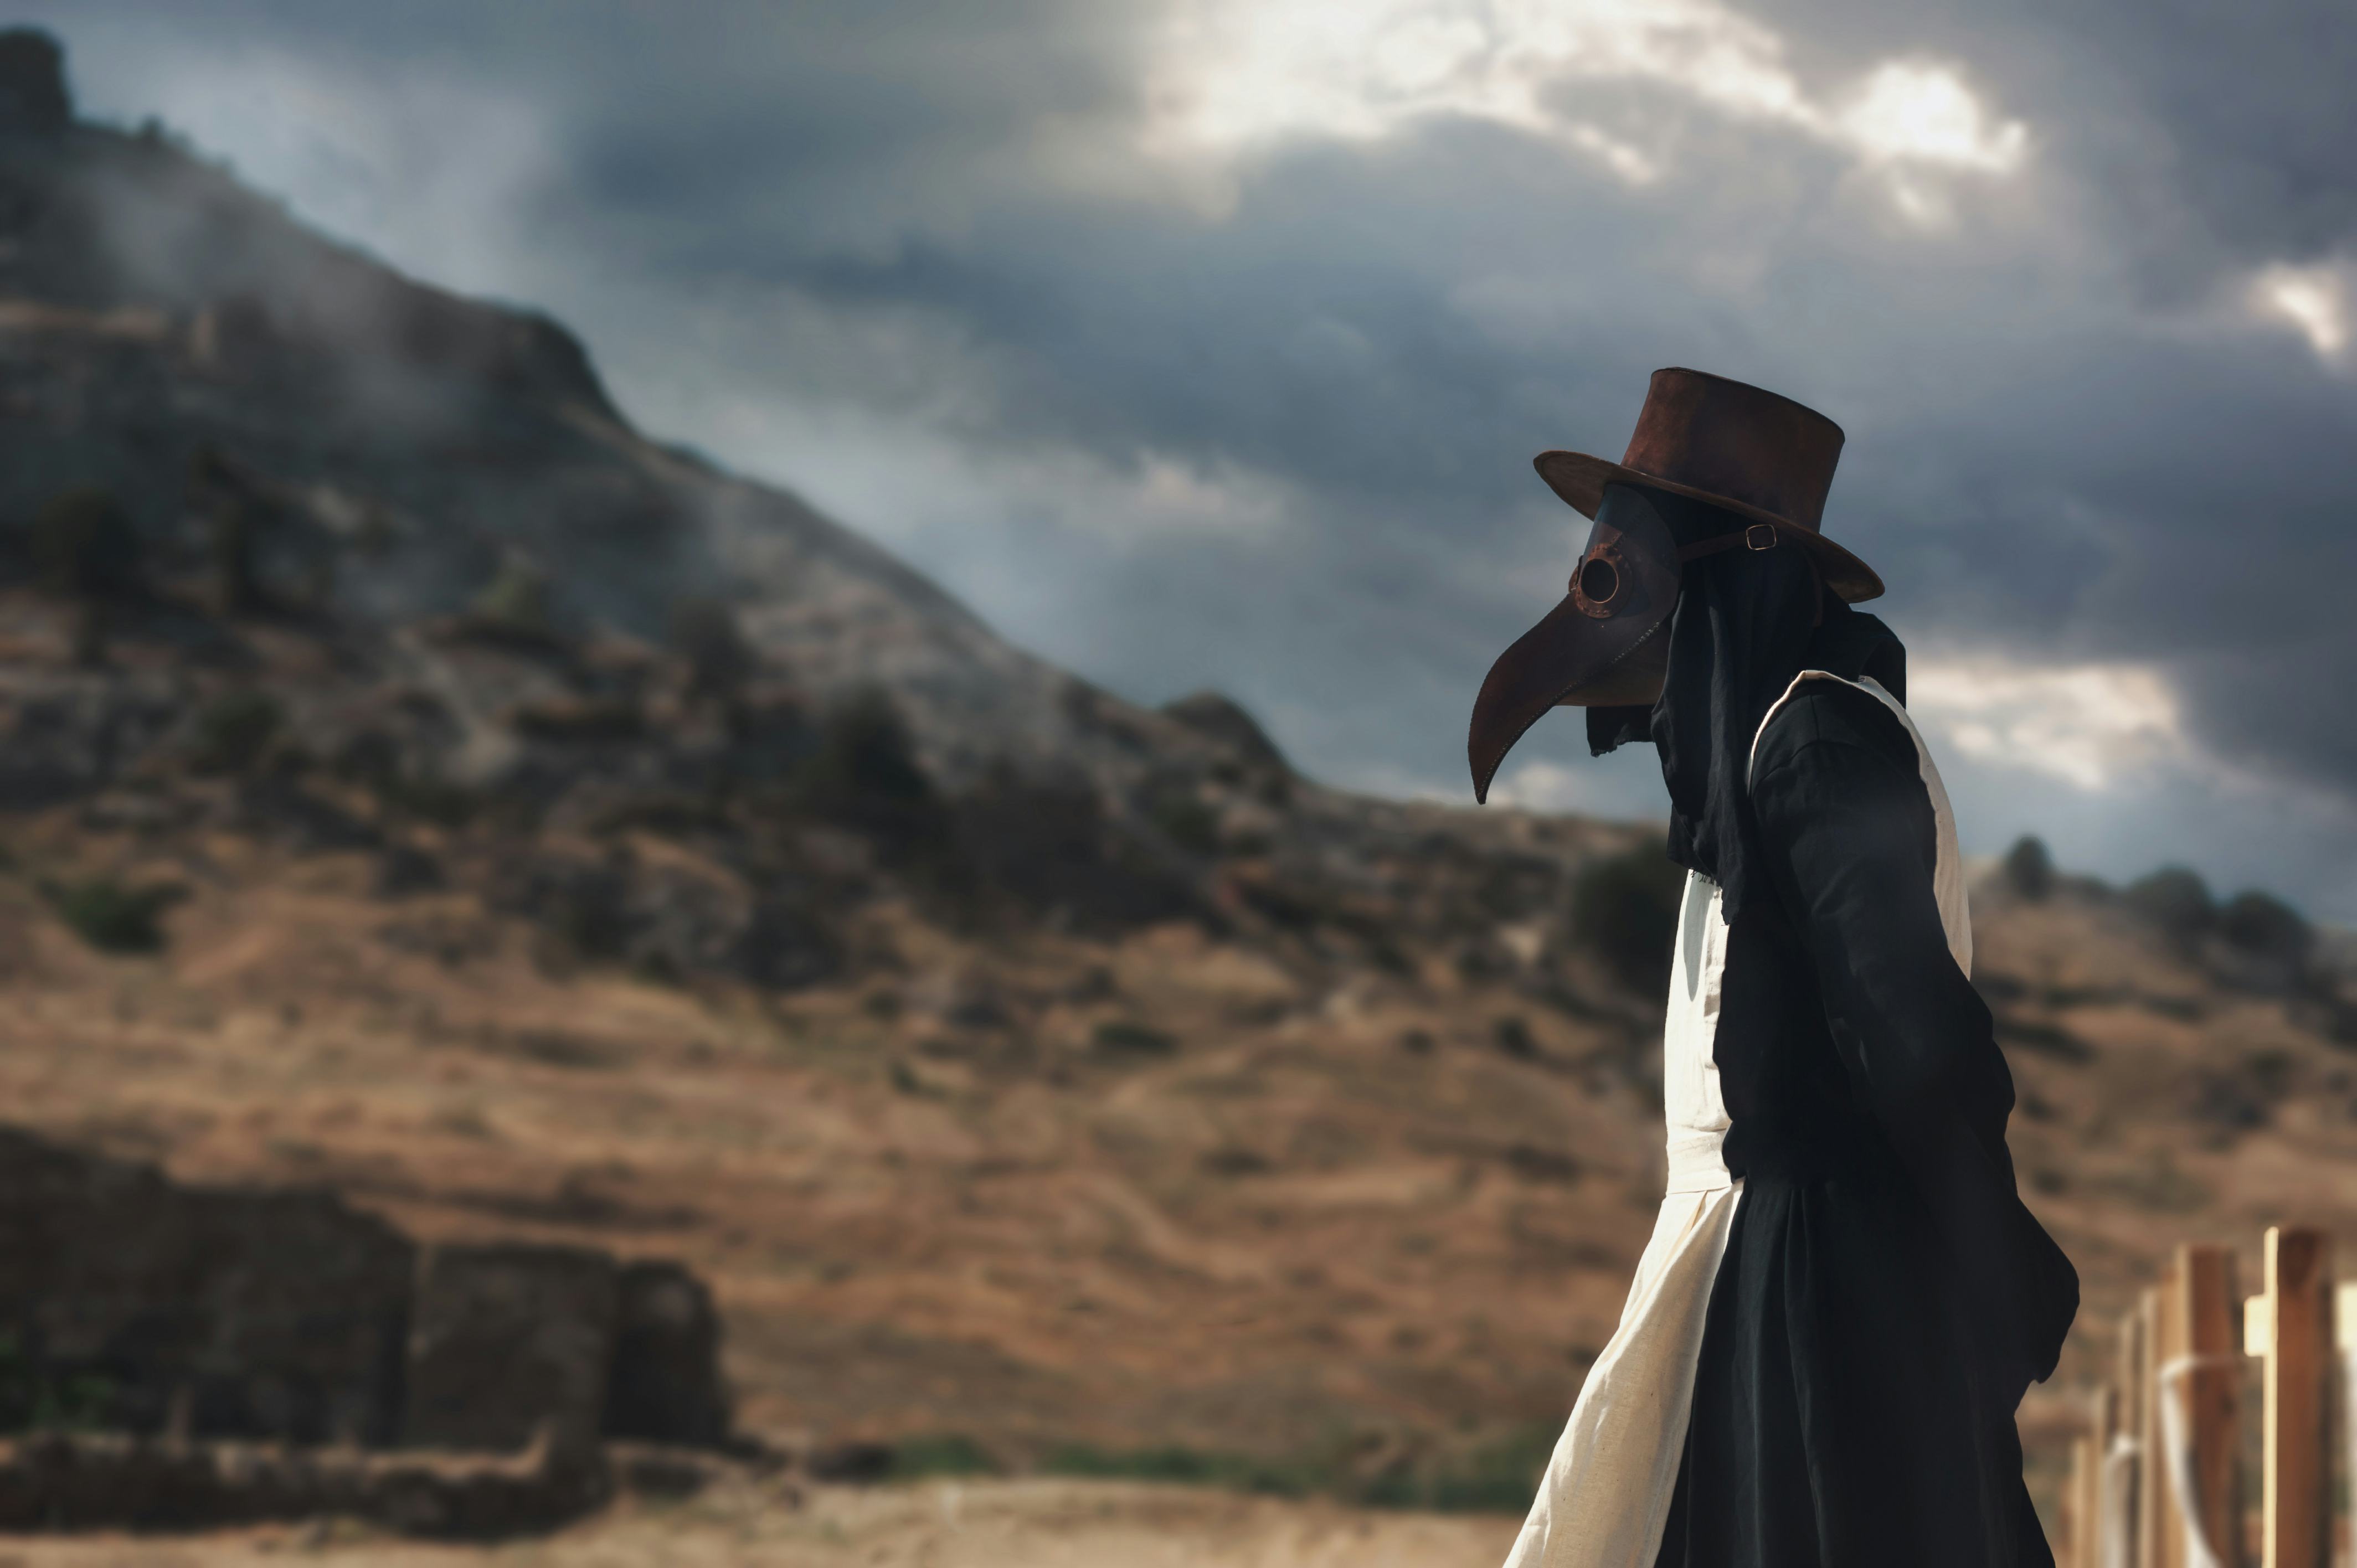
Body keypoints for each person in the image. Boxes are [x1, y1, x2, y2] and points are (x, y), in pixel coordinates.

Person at [1468, 369, 2078, 1568]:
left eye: (1633, 560)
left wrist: (1992, 1254)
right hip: (1785, 1262)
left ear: (1721, 569)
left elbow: (1914, 1039)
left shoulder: (1815, 742)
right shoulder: (1779, 742)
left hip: (1825, 1290)